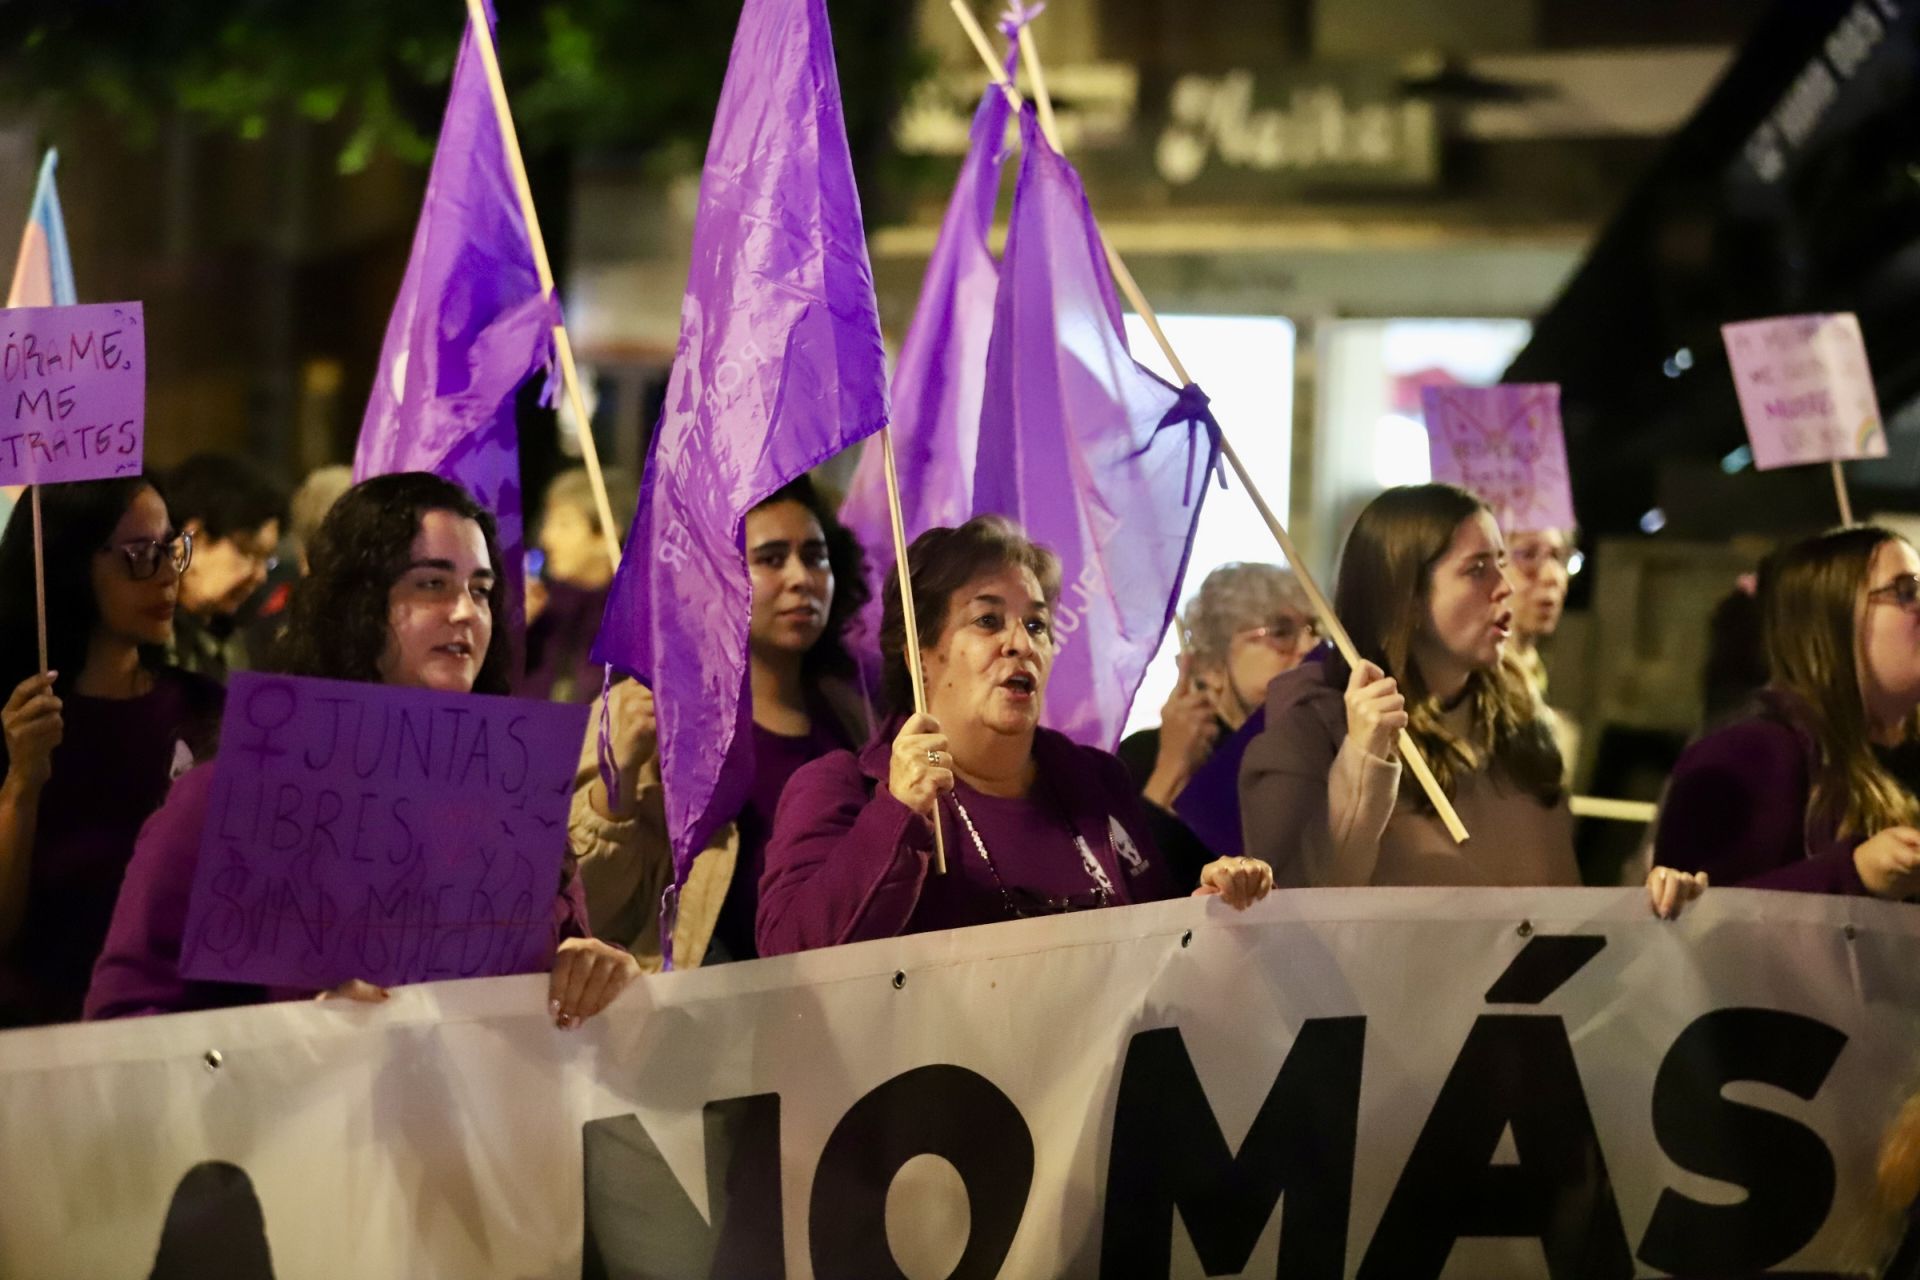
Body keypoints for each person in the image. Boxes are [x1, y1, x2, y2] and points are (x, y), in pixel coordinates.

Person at [85, 473, 638, 1025]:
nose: (466, 612)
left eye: (481, 590)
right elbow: (127, 1023)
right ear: (357, 606)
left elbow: (560, 968)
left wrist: (587, 966)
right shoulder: (227, 800)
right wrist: (293, 1040)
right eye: (431, 584)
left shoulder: (515, 805)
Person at [757, 516, 1272, 957]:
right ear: (920, 656)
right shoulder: (841, 788)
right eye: (987, 620)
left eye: (1037, 625)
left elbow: (1156, 958)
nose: (1019, 644)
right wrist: (897, 814)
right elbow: (790, 958)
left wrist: (1204, 914)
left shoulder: (1095, 782)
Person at [1239, 483, 1704, 917]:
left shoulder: (1523, 727)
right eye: (1477, 569)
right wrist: (1362, 760)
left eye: (1501, 563)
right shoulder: (1309, 728)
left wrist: (1649, 901)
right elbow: (1297, 913)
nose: (1505, 587)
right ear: (1406, 593)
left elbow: (1558, 908)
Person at [571, 476, 870, 967]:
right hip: (707, 1016)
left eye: (816, 556)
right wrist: (615, 783)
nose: (801, 578)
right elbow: (593, 912)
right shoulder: (642, 714)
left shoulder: (853, 711)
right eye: (771, 558)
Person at [0, 478, 221, 1026]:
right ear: (70, 563)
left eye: (171, 549)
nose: (169, 574)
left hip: (176, 1035)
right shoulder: (20, 720)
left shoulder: (205, 712)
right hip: (37, 1045)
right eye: (140, 557)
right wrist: (21, 785)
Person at [1654, 527, 1920, 900]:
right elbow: (1694, 925)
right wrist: (1854, 874)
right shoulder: (1749, 753)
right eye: (1906, 591)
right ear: (1830, 618)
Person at [1118, 563, 1319, 874]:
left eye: (1313, 630)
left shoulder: (1319, 746)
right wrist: (1170, 772)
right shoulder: (1143, 756)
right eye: (1281, 633)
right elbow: (1126, 883)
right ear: (1212, 664)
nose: (1309, 647)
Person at [164, 453, 289, 682]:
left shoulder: (238, 643)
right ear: (195, 538)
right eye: (247, 552)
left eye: (266, 560)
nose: (260, 576)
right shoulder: (143, 641)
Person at [519, 466, 635, 704]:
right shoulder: (538, 605)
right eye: (548, 524)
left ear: (606, 535)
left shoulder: (635, 617)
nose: (547, 538)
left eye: (564, 525)